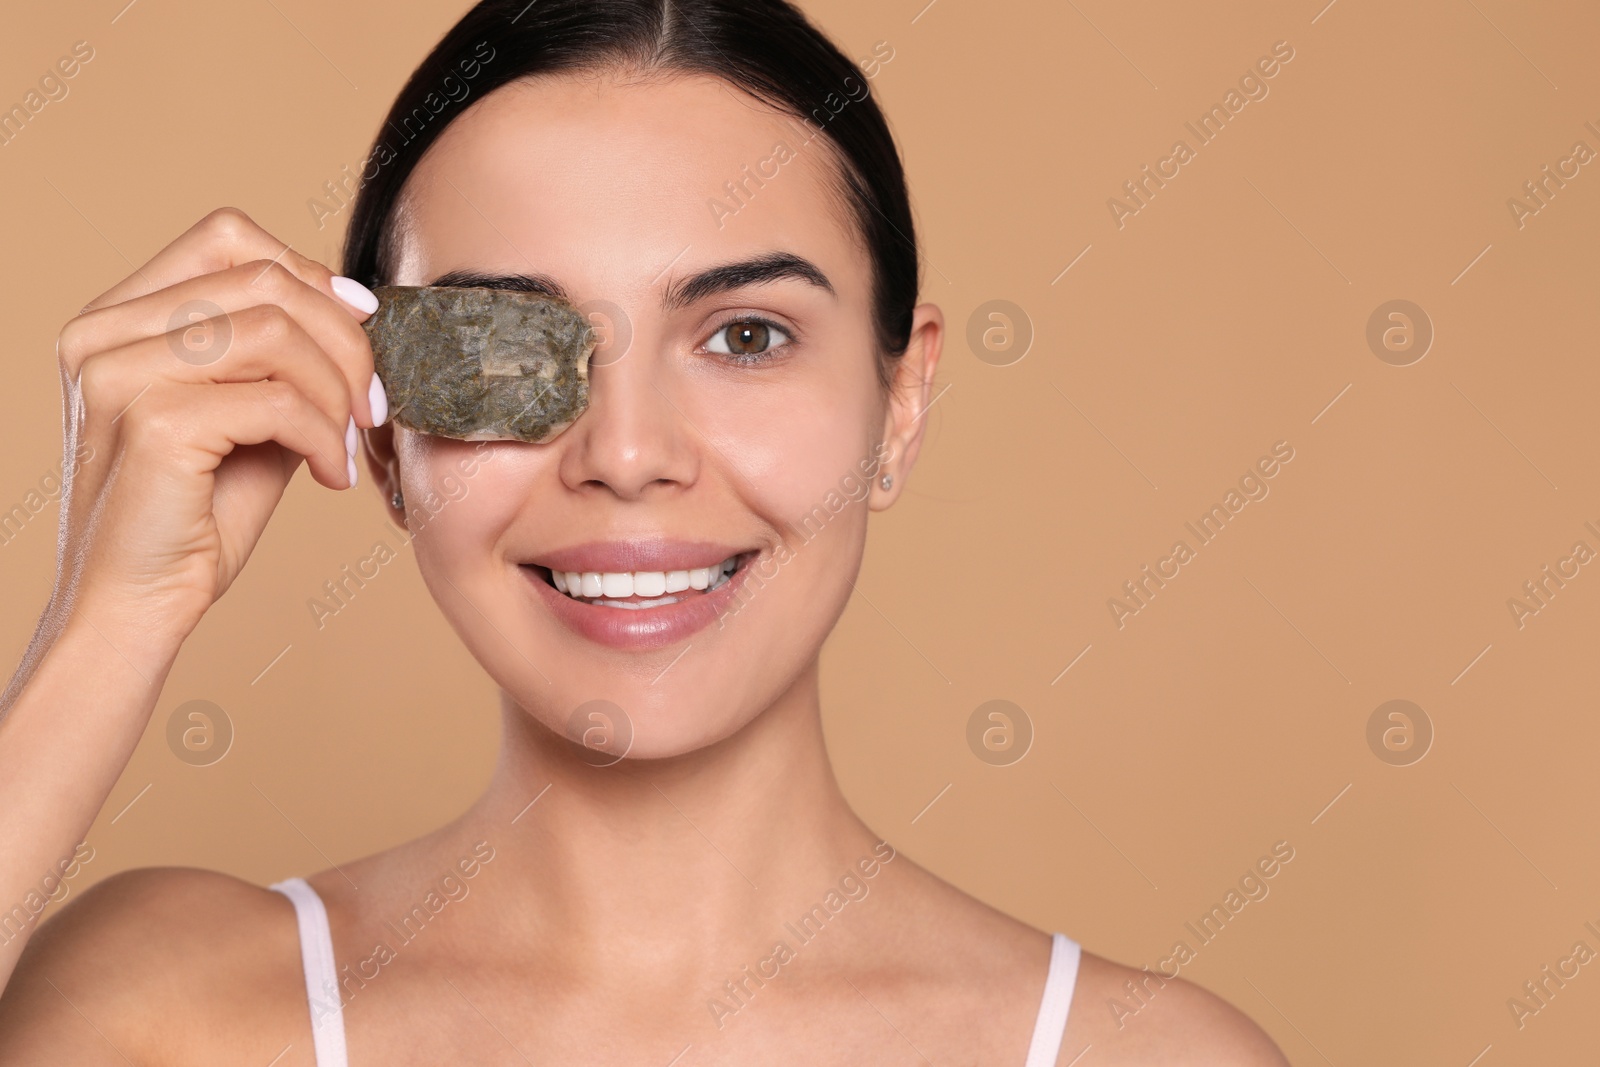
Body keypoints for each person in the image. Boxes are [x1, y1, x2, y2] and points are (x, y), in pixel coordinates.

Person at [0, 1, 1287, 1061]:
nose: (624, 455)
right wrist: (106, 625)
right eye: (503, 346)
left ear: (899, 405)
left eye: (745, 336)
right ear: (382, 429)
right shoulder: (167, 1012)